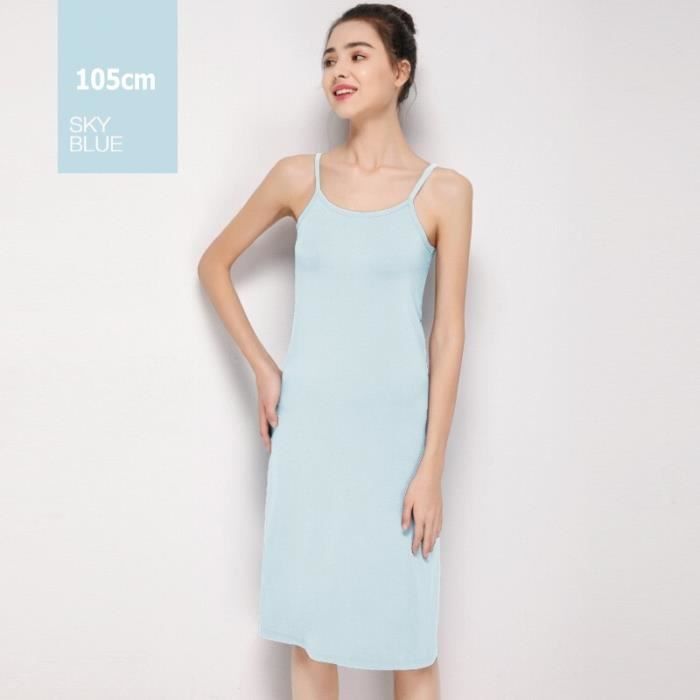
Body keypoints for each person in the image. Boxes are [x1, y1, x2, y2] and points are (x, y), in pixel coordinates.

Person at [198, 4, 472, 698]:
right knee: (313, 634)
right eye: (328, 59)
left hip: (397, 445)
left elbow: (447, 334)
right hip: (312, 436)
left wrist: (432, 466)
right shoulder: (299, 177)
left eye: (356, 55)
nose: (338, 71)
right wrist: (264, 368)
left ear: (400, 71)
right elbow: (214, 264)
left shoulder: (445, 192)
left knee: (409, 638)